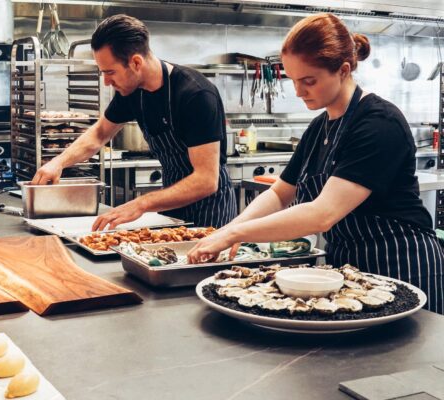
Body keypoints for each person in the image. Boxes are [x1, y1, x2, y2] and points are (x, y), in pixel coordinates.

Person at [188, 13, 444, 314]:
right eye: (294, 80)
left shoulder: (378, 123)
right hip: (349, 270)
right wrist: (227, 230)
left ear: (343, 70)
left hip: (402, 264)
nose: (298, 91)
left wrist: (236, 235)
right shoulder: (320, 127)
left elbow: (322, 214)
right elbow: (280, 194)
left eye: (308, 81)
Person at [32, 14, 237, 230]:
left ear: (136, 62)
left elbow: (206, 180)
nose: (107, 81)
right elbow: (99, 133)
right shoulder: (132, 92)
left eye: (110, 72)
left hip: (210, 213)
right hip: (171, 206)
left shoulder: (195, 94)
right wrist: (58, 163)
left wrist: (141, 203)